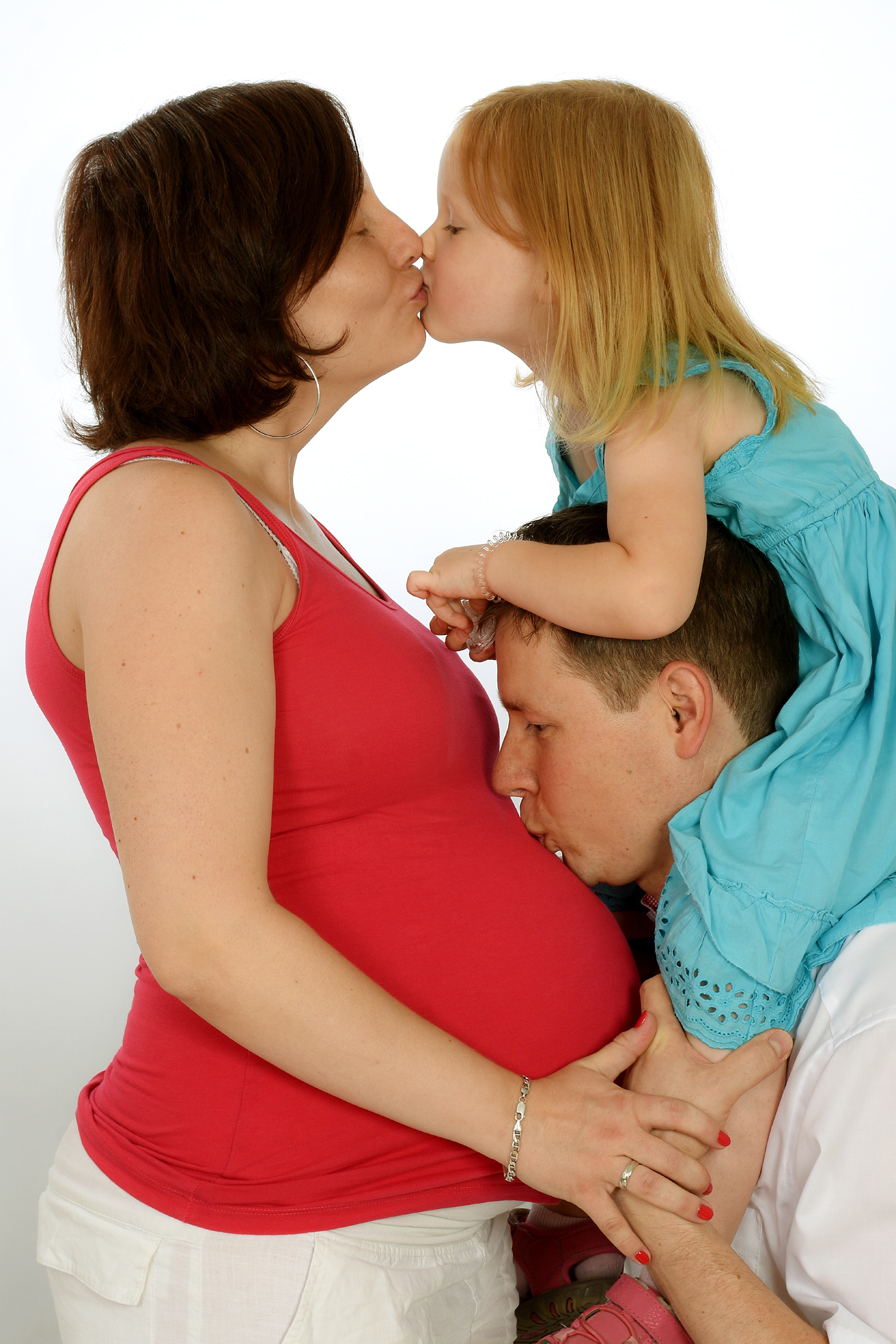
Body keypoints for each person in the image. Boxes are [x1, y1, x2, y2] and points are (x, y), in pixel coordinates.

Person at [25, 81, 776, 1344]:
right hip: (267, 1243)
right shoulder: (166, 515)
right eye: (357, 222)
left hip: (376, 1238)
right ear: (251, 281)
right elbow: (203, 935)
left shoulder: (272, 524)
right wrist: (525, 1123)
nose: (409, 240)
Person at [407, 79, 896, 1055]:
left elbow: (647, 591)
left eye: (455, 224)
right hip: (786, 677)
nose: (423, 242)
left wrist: (497, 564)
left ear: (563, 262)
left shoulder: (657, 400)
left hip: (856, 693)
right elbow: (641, 590)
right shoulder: (588, 414)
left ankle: (724, 1094)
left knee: (736, 935)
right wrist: (513, 610)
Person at [487, 503, 895, 1343]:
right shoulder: (649, 956)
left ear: (680, 711)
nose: (505, 773)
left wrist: (647, 1198)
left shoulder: (872, 1009)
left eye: (538, 725)